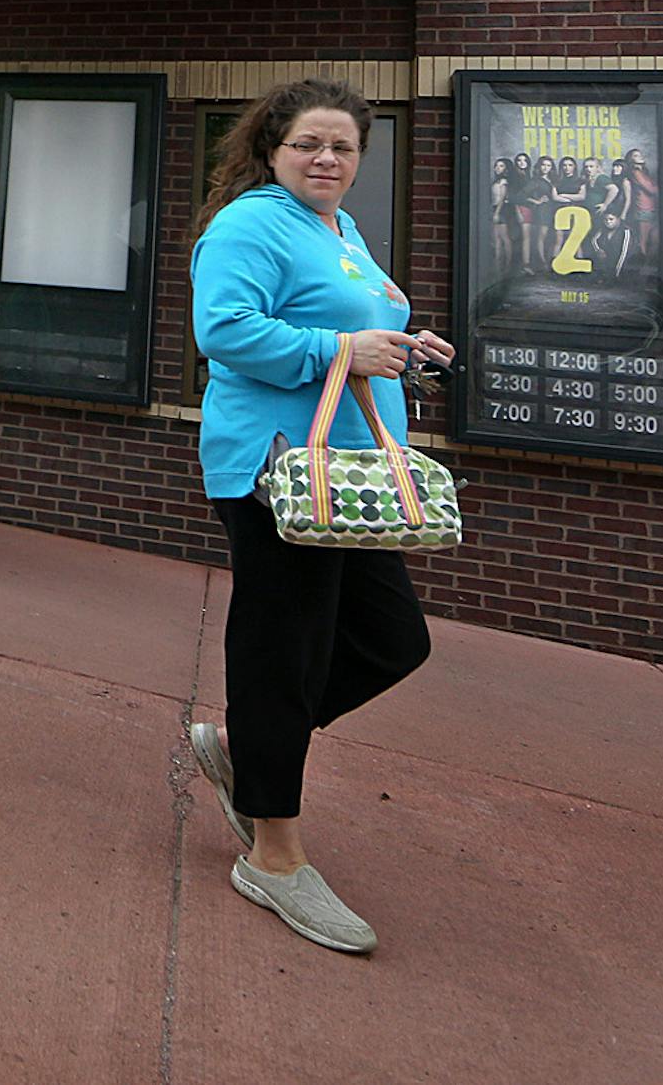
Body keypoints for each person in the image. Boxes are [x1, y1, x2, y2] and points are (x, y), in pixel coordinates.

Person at [185, 77, 455, 957]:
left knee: (392, 640)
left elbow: (355, 326)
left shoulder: (341, 232)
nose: (327, 159)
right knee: (283, 647)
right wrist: (342, 348)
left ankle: (249, 744)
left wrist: (406, 349)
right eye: (309, 144)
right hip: (279, 471)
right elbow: (223, 329)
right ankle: (274, 853)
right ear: (272, 149)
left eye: (343, 147)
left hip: (355, 471)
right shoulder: (251, 224)